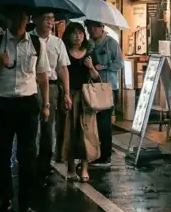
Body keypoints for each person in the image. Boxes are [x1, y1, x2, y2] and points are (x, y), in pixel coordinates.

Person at [0, 7, 49, 212]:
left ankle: (26, 203)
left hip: (27, 104)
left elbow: (43, 76)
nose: (20, 21)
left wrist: (46, 104)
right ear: (7, 18)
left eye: (24, 16)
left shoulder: (36, 43)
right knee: (1, 154)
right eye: (16, 16)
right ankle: (6, 199)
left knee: (28, 155)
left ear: (28, 18)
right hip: (1, 104)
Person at [61, 22, 101, 182]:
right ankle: (71, 167)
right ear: (68, 35)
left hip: (86, 97)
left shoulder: (90, 53)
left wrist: (91, 67)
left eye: (80, 33)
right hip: (69, 95)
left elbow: (97, 78)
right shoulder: (64, 52)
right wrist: (65, 93)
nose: (78, 36)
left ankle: (84, 168)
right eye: (74, 33)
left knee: (87, 133)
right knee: (69, 132)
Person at [36, 11, 71, 179]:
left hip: (51, 87)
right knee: (30, 126)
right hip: (31, 86)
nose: (50, 22)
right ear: (35, 20)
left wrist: (67, 94)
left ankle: (45, 161)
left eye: (52, 19)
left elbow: (63, 68)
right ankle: (30, 159)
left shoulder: (58, 43)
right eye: (46, 18)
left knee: (48, 127)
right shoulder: (28, 39)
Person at [86, 20, 123, 164]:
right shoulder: (88, 44)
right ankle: (95, 152)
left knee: (104, 122)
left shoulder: (111, 43)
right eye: (90, 27)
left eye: (96, 27)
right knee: (92, 122)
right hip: (92, 86)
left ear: (102, 27)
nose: (93, 30)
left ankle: (106, 155)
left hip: (107, 87)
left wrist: (104, 67)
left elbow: (119, 63)